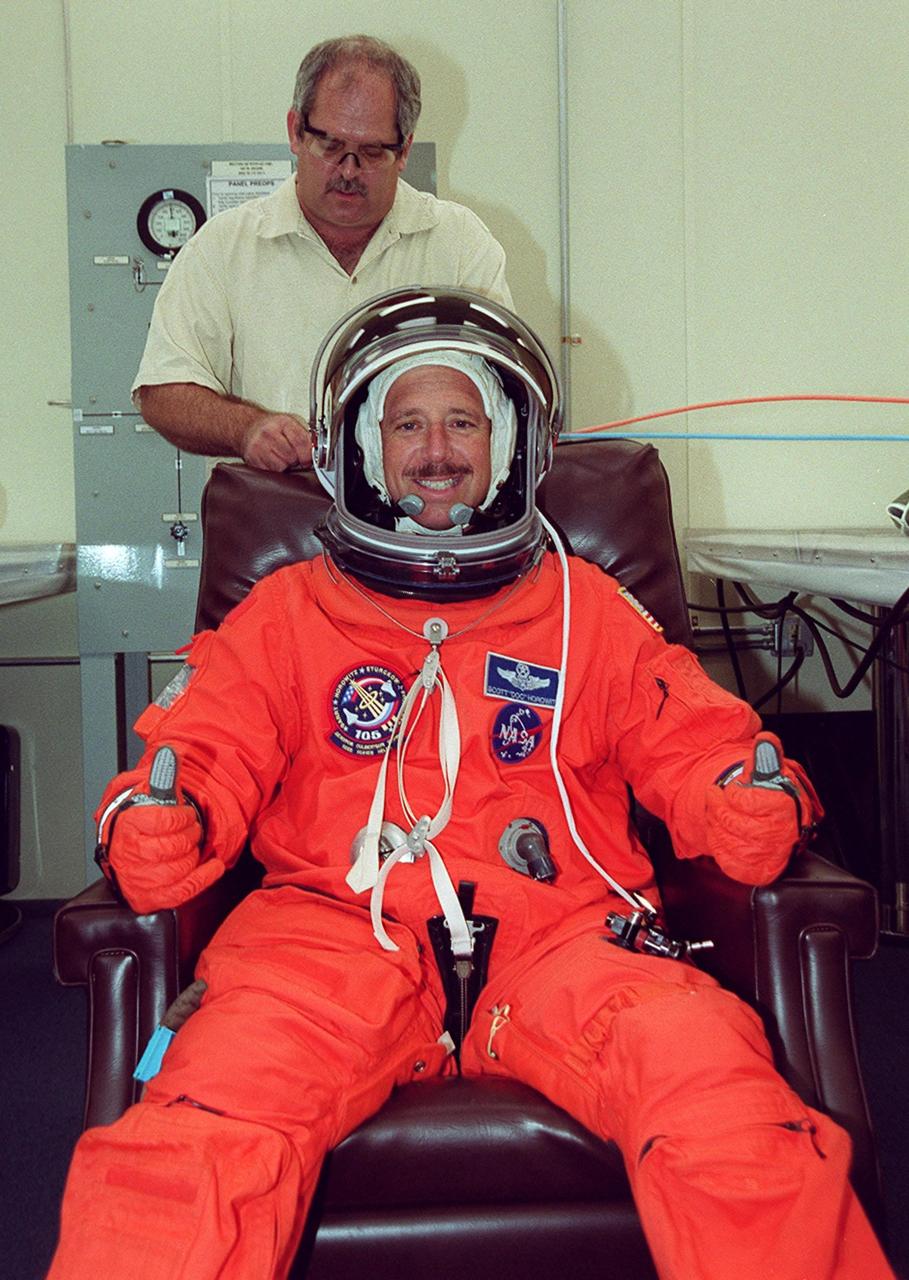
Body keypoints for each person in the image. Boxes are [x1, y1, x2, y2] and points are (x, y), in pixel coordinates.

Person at [50, 289, 893, 1280]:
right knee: (193, 1143)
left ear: (512, 447)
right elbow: (199, 750)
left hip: (568, 937)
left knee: (723, 1101)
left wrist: (738, 801)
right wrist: (165, 822)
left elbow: (694, 736)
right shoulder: (287, 613)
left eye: (463, 421)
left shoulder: (588, 609)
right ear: (361, 448)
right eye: (407, 421)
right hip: (325, 939)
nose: (437, 447)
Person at [131, 34, 512, 472]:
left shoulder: (459, 242)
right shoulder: (222, 249)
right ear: (296, 131)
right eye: (331, 146)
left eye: (370, 152)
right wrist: (246, 428)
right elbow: (163, 391)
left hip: (425, 527)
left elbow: (502, 387)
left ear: (404, 149)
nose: (348, 171)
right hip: (280, 518)